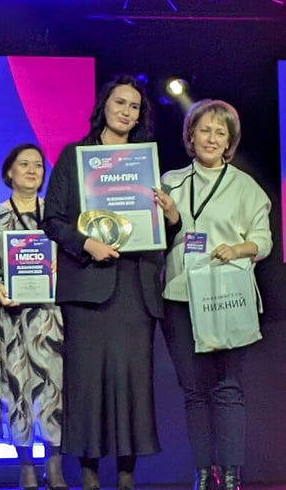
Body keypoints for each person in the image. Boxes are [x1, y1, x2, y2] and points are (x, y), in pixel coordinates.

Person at [43, 75, 163, 490]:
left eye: (134, 106)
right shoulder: (75, 156)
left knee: (132, 385)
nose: (126, 111)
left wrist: (170, 216)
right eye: (120, 102)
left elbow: (158, 229)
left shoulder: (145, 162)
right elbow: (53, 219)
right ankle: (89, 474)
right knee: (87, 385)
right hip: (88, 287)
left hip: (135, 288)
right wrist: (87, 244)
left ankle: (127, 476)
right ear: (104, 107)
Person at [153, 100, 272, 490]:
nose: (212, 138)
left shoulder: (245, 186)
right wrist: (171, 217)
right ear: (191, 135)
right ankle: (204, 474)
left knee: (228, 388)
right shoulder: (170, 182)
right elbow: (158, 235)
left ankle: (232, 474)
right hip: (180, 295)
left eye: (220, 132)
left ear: (229, 141)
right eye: (204, 130)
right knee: (194, 390)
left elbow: (263, 241)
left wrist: (237, 249)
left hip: (226, 295)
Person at [0, 143, 68, 490]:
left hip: (49, 318)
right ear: (9, 172)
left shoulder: (58, 216)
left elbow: (74, 259)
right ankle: (26, 467)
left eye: (38, 165)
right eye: (24, 164)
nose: (32, 170)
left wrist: (62, 269)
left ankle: (54, 467)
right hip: (9, 321)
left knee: (54, 391)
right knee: (16, 393)